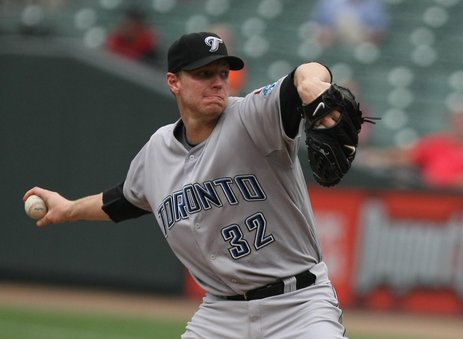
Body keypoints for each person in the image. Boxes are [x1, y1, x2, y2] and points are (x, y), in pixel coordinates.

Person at [24, 32, 351, 338]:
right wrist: (68, 210)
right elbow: (121, 201)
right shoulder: (158, 150)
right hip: (221, 314)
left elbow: (303, 75)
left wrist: (312, 82)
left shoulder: (253, 117)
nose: (218, 83)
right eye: (204, 74)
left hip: (299, 304)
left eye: (222, 73)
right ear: (173, 82)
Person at [359, 107, 463, 189]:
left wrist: (446, 183)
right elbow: (408, 155)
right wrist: (377, 157)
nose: (459, 126)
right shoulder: (437, 143)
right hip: (427, 193)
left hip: (456, 198)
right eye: (456, 123)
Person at [311, 0, 389, 48]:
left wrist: (362, 33)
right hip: (333, 43)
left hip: (362, 43)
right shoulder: (330, 3)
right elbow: (317, 27)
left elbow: (381, 33)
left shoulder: (374, 5)